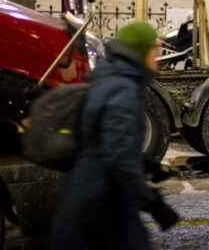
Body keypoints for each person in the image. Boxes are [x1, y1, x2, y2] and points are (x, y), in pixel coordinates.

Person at [51, 21, 179, 250]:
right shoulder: (124, 90)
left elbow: (103, 140)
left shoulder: (108, 79)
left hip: (91, 197)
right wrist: (154, 204)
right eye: (154, 50)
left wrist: (146, 164)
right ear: (140, 52)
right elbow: (118, 162)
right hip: (103, 205)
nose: (157, 58)